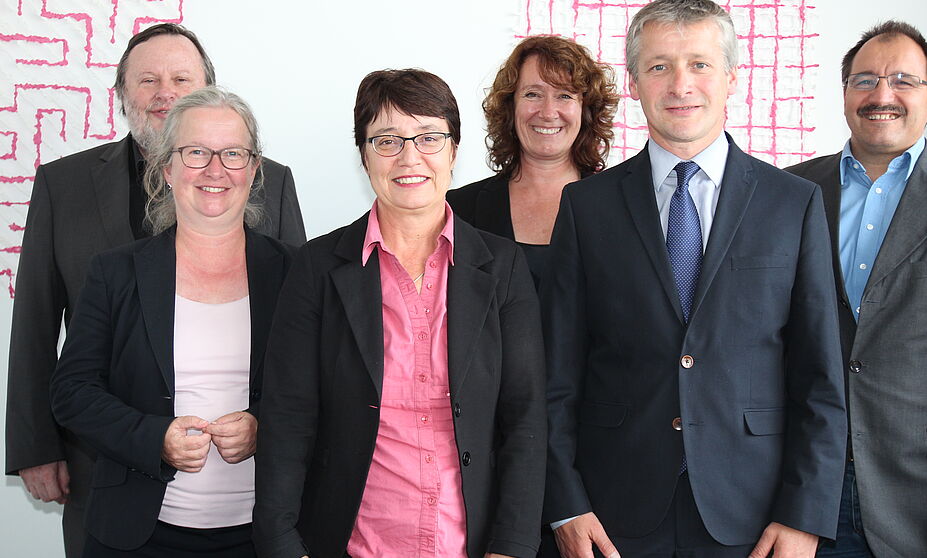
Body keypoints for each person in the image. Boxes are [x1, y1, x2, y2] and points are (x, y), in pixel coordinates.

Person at [541, 1, 847, 557]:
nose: (680, 84)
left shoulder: (793, 204)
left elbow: (820, 381)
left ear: (732, 77)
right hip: (612, 516)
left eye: (700, 64)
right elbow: (556, 376)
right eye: (659, 66)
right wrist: (565, 502)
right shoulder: (586, 208)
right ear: (633, 82)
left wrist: (804, 516)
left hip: (755, 517)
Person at [5, 22, 306, 558]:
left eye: (181, 78)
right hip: (102, 470)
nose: (165, 92)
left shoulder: (272, 182)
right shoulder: (62, 184)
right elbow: (35, 320)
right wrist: (35, 445)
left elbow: (301, 344)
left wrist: (267, 424)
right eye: (147, 80)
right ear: (122, 96)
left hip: (250, 500)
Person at [252, 69, 547, 558]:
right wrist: (283, 545)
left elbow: (526, 417)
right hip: (353, 543)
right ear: (364, 156)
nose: (410, 157)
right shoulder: (318, 269)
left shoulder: (503, 267)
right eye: (387, 140)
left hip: (468, 545)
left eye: (429, 137)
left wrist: (510, 547)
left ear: (454, 150)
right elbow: (287, 421)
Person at [786, 20, 927, 558]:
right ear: (844, 95)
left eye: (903, 80)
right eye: (864, 81)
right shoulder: (789, 192)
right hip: (806, 496)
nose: (882, 96)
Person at [447, 35, 618, 287]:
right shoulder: (458, 210)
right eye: (532, 94)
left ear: (586, 110)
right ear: (510, 106)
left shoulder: (619, 208)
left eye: (565, 96)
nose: (548, 112)